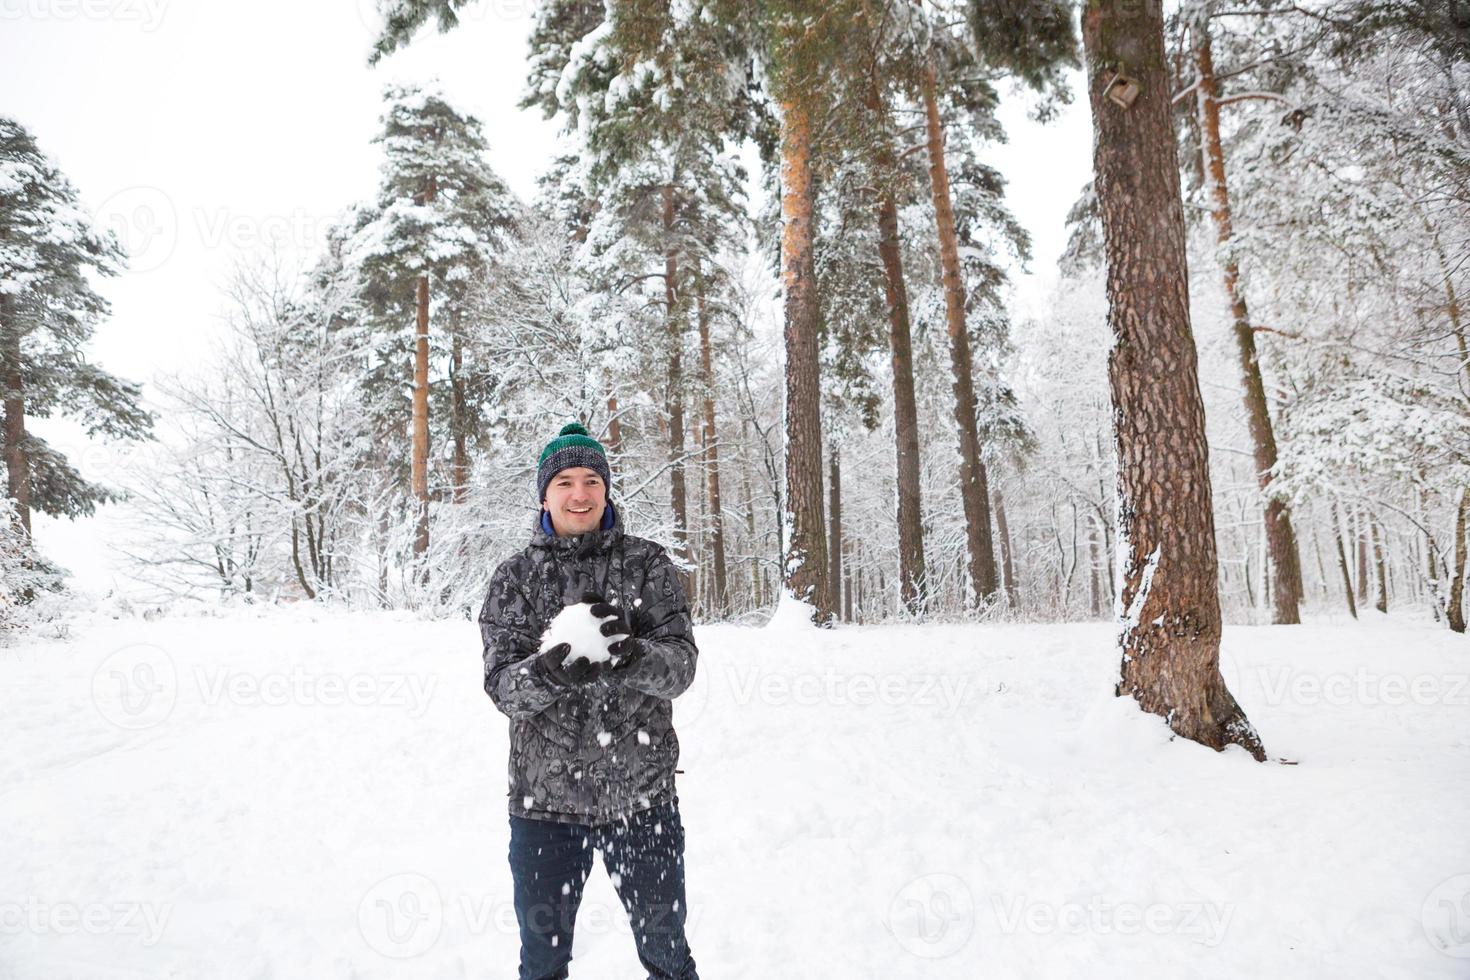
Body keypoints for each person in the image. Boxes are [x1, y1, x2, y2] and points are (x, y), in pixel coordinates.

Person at [478, 422, 700, 980]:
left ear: (606, 489)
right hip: (544, 808)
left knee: (668, 954)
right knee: (543, 963)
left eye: (592, 480)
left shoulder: (648, 566)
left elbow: (680, 670)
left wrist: (634, 655)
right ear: (544, 494)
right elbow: (504, 688)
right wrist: (549, 670)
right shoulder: (515, 578)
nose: (580, 494)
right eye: (566, 482)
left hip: (642, 800)